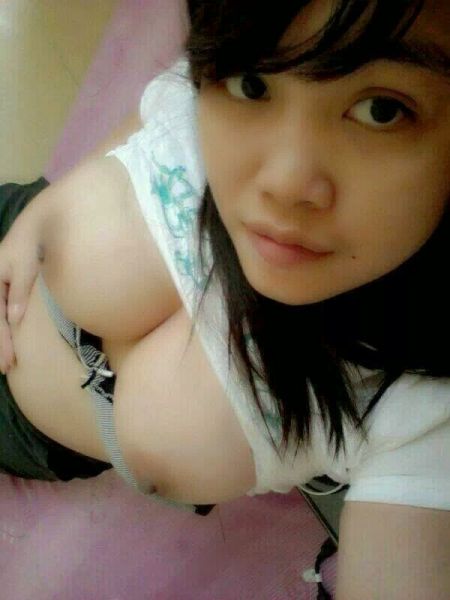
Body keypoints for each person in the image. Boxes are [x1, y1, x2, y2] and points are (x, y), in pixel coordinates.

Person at [1, 0, 449, 596]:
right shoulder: (215, 90)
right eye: (253, 83)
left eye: (381, 110)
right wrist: (36, 216)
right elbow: (171, 96)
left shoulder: (425, 411)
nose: (284, 182)